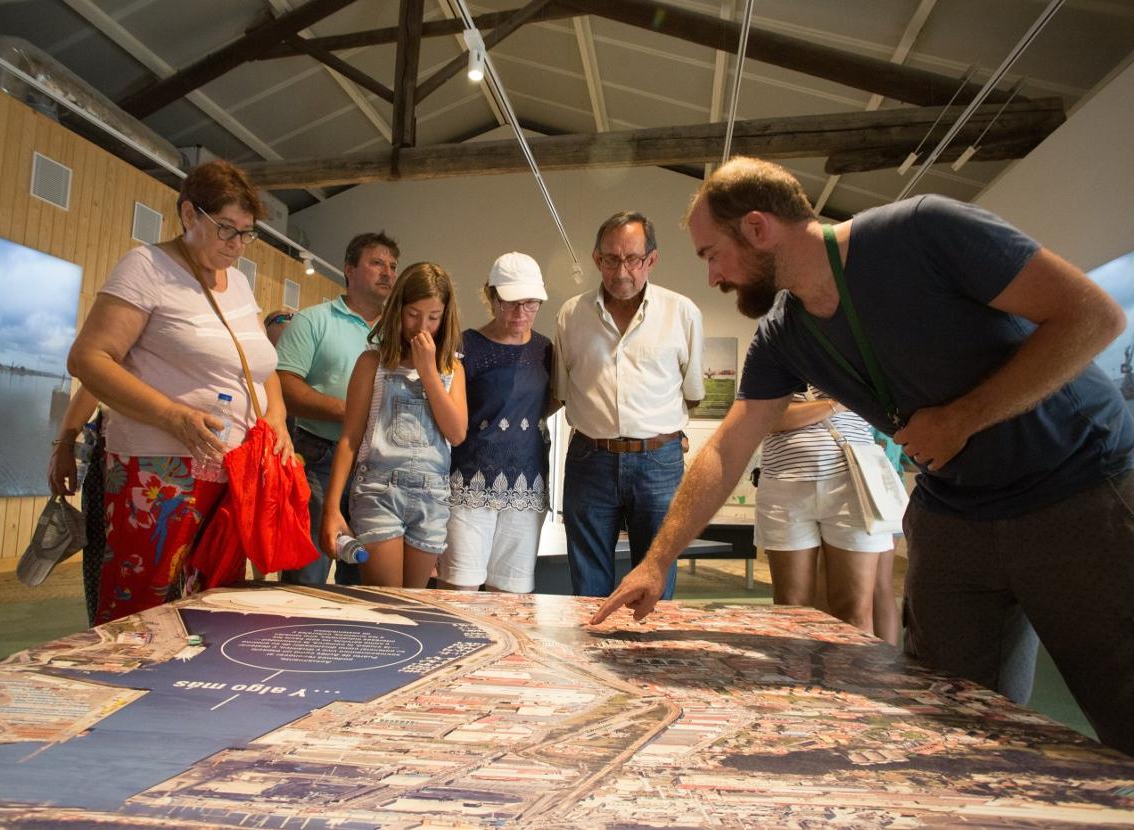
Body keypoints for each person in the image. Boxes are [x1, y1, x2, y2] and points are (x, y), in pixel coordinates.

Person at [592, 156, 1134, 756]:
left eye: (710, 254)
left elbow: (1092, 316)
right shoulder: (785, 334)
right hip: (957, 510)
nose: (714, 277)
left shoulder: (923, 231)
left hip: (1079, 487)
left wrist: (963, 417)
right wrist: (656, 561)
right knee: (948, 720)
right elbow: (730, 445)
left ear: (756, 227)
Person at [67, 159, 291, 625]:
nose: (236, 245)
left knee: (215, 605)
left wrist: (277, 418)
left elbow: (258, 362)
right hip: (159, 467)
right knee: (143, 607)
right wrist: (172, 415)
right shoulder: (146, 266)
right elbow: (89, 358)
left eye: (246, 234)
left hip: (231, 468)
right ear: (189, 215)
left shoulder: (239, 281)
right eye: (226, 229)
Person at [553, 211, 704, 600]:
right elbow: (563, 390)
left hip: (659, 462)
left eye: (632, 259)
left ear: (651, 259)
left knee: (655, 580)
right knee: (588, 585)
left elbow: (693, 392)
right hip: (591, 459)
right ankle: (590, 657)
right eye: (611, 259)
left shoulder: (682, 313)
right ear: (596, 259)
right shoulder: (571, 315)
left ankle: (649, 659)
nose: (622, 271)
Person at [320, 263, 466, 588]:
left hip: (432, 497)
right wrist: (331, 507)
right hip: (378, 491)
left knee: (413, 607)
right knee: (387, 604)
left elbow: (456, 433)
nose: (421, 327)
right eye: (413, 314)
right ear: (398, 308)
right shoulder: (372, 362)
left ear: (445, 316)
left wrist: (429, 372)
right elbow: (349, 439)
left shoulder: (451, 368)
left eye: (433, 317)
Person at [276, 232, 399, 586]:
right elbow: (284, 385)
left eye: (392, 266)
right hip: (320, 459)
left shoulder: (397, 333)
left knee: (364, 580)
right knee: (307, 575)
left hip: (379, 466)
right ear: (349, 269)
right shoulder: (314, 320)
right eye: (376, 263)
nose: (387, 273)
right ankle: (296, 639)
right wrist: (349, 411)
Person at [439, 253, 554, 593]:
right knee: (460, 591)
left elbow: (546, 405)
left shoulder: (546, 349)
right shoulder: (465, 346)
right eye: (510, 303)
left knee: (513, 596)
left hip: (527, 481)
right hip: (468, 482)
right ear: (490, 296)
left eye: (530, 303)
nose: (520, 313)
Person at [755, 387, 898, 645]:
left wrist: (800, 412)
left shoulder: (861, 351)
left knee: (854, 610)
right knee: (792, 611)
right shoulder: (775, 351)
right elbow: (764, 418)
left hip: (853, 482)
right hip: (785, 483)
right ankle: (799, 684)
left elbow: (884, 406)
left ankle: (856, 685)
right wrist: (836, 403)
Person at [47, 385, 103, 625]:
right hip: (119, 463)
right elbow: (93, 383)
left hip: (206, 467)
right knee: (105, 573)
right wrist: (64, 444)